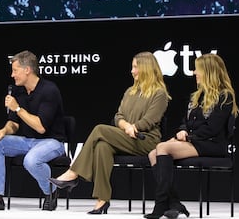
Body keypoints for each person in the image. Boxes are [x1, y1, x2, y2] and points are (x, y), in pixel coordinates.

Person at [49, 51, 170, 214]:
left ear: (146, 68)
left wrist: (133, 127)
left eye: (135, 67)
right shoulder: (130, 91)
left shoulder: (159, 94)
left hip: (145, 140)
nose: (132, 71)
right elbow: (118, 116)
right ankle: (102, 200)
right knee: (102, 146)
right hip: (127, 137)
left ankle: (73, 172)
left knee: (100, 129)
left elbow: (150, 121)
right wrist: (126, 126)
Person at [144, 53, 239, 219]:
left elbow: (212, 129)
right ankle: (174, 203)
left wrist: (188, 137)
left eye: (197, 69)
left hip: (212, 144)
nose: (194, 72)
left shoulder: (225, 96)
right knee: (153, 154)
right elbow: (186, 121)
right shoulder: (196, 96)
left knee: (162, 148)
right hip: (195, 141)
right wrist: (182, 131)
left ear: (208, 72)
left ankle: (161, 204)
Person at [0, 50, 66, 212]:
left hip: (52, 142)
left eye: (15, 70)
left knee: (31, 160)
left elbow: (40, 127)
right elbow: (14, 124)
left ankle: (51, 190)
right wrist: (4, 131)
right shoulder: (18, 91)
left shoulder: (49, 90)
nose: (12, 75)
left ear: (27, 70)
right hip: (27, 141)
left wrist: (17, 108)